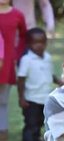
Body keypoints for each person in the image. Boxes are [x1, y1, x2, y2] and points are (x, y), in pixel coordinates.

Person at [17, 27, 63, 141]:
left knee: (40, 124)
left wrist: (60, 82)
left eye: (42, 42)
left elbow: (49, 74)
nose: (39, 45)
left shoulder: (47, 57)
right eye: (35, 42)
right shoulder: (26, 60)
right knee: (31, 125)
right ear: (28, 44)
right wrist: (21, 98)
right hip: (31, 100)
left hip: (45, 99)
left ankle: (36, 138)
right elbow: (21, 79)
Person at [0, 0, 26, 140]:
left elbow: (24, 36)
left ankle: (3, 132)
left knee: (3, 100)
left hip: (7, 65)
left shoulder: (17, 15)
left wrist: (17, 53)